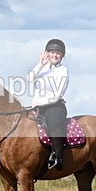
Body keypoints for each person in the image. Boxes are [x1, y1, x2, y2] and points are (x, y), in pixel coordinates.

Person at [28, 39, 69, 171]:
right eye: (52, 52)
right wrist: (40, 64)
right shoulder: (42, 68)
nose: (55, 55)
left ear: (62, 56)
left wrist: (41, 102)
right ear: (47, 53)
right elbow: (29, 79)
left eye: (58, 53)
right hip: (37, 107)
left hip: (54, 106)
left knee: (53, 124)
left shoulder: (63, 71)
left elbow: (58, 94)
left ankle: (58, 157)